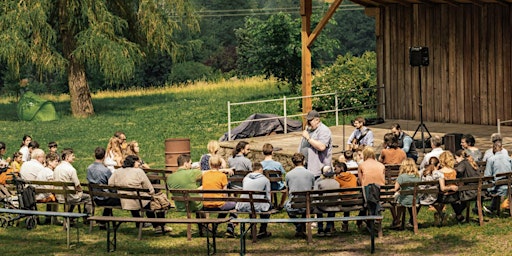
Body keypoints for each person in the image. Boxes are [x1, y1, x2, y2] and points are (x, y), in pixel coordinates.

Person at [109, 155, 171, 234]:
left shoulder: (118, 171)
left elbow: (110, 183)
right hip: (139, 202)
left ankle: (157, 226)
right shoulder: (138, 171)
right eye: (139, 162)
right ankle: (159, 226)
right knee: (160, 201)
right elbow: (150, 190)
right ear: (134, 162)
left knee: (149, 201)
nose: (140, 164)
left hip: (125, 202)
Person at [202, 155, 238, 238]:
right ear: (220, 165)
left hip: (206, 205)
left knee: (226, 206)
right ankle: (230, 229)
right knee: (234, 206)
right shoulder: (222, 176)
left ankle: (216, 225)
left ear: (210, 164)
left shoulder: (205, 175)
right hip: (219, 204)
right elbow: (224, 194)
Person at [236, 162, 272, 239]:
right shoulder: (265, 180)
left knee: (251, 205)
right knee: (267, 207)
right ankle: (263, 229)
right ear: (260, 169)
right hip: (257, 205)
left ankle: (253, 230)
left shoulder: (245, 178)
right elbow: (268, 196)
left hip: (245, 205)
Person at [87, 147, 121, 227]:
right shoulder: (106, 170)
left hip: (94, 198)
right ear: (104, 156)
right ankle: (102, 221)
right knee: (118, 198)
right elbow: (112, 184)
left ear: (94, 155)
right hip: (105, 198)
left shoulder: (89, 168)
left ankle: (102, 221)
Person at [284, 153, 315, 238]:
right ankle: (301, 227)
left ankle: (299, 226)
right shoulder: (311, 174)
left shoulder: (288, 175)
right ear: (304, 161)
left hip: (294, 205)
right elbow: (312, 189)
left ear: (293, 163)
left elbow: (287, 191)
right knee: (306, 203)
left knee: (286, 205)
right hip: (308, 205)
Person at [53, 148, 93, 216]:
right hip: (69, 197)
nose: (74, 157)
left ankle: (70, 215)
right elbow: (77, 186)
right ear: (67, 157)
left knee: (74, 194)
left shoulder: (57, 168)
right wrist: (80, 191)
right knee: (88, 197)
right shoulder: (71, 169)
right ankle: (87, 217)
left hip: (59, 196)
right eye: (72, 156)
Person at [299, 110, 333, 178]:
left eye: (310, 120)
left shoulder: (324, 130)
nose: (308, 122)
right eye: (307, 120)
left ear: (317, 120)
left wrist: (308, 138)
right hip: (307, 166)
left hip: (318, 169)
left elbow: (322, 147)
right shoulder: (309, 129)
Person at [484, 141, 512, 213]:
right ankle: (494, 207)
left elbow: (487, 175)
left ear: (493, 149)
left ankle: (490, 208)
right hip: (510, 185)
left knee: (488, 186)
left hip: (498, 186)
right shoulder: (509, 158)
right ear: (502, 148)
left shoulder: (491, 159)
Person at [393, 158, 422, 228]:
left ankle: (397, 219)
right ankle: (409, 220)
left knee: (397, 198)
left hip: (403, 200)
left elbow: (395, 189)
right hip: (415, 200)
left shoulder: (401, 177)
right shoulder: (417, 176)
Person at [454, 149, 480, 221]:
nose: (455, 161)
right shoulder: (472, 163)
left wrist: (453, 171)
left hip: (470, 192)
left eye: (456, 158)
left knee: (453, 196)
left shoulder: (463, 163)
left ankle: (458, 214)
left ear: (461, 157)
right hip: (480, 191)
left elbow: (459, 170)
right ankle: (458, 215)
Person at [314, 165, 340, 237]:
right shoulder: (337, 183)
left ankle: (320, 229)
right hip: (333, 206)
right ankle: (328, 228)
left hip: (322, 207)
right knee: (332, 206)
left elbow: (315, 195)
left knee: (319, 207)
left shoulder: (320, 183)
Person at [435, 151, 459, 225]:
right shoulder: (454, 171)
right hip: (454, 196)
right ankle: (441, 215)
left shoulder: (439, 172)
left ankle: (440, 214)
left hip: (442, 197)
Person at [333, 161, 357, 232]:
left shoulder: (337, 179)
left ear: (341, 168)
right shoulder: (353, 177)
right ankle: (345, 224)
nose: (334, 170)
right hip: (354, 200)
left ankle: (331, 226)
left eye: (335, 168)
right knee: (347, 198)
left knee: (334, 200)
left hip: (343, 201)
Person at [36, 152, 59, 224]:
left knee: (52, 195)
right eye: (56, 161)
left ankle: (49, 218)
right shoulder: (50, 173)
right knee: (56, 196)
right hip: (43, 196)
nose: (57, 163)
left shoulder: (42, 170)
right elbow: (51, 188)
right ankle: (53, 219)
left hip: (38, 194)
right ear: (49, 162)